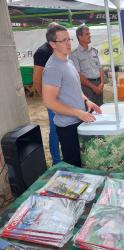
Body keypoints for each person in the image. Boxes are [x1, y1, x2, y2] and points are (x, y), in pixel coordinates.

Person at [42, 24, 101, 167]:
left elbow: (75, 88)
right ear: (52, 44)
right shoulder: (53, 68)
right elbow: (49, 102)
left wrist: (87, 101)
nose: (68, 43)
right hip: (68, 127)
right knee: (74, 167)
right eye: (63, 41)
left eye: (69, 39)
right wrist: (77, 112)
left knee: (85, 161)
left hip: (79, 121)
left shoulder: (68, 61)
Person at [33, 23, 61, 165]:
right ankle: (56, 161)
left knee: (65, 126)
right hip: (52, 99)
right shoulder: (42, 52)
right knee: (55, 129)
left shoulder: (59, 49)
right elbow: (36, 79)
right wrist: (46, 98)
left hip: (64, 97)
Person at [69, 24, 104, 106]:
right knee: (90, 111)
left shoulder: (94, 51)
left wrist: (102, 83)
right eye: (87, 34)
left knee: (101, 109)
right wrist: (93, 87)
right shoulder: (75, 54)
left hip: (99, 85)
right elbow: (78, 75)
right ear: (80, 37)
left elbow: (100, 68)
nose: (90, 36)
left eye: (89, 34)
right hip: (87, 87)